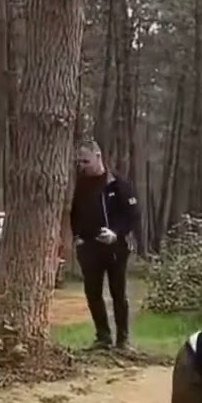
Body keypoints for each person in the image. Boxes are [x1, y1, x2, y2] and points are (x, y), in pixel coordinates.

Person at [70, 141, 140, 350]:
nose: (82, 165)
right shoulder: (81, 184)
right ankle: (103, 336)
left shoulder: (118, 184)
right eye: (79, 161)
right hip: (89, 248)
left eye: (86, 161)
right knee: (93, 293)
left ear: (98, 157)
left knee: (118, 292)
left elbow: (133, 216)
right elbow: (74, 213)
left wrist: (116, 233)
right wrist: (78, 237)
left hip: (115, 248)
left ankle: (123, 339)